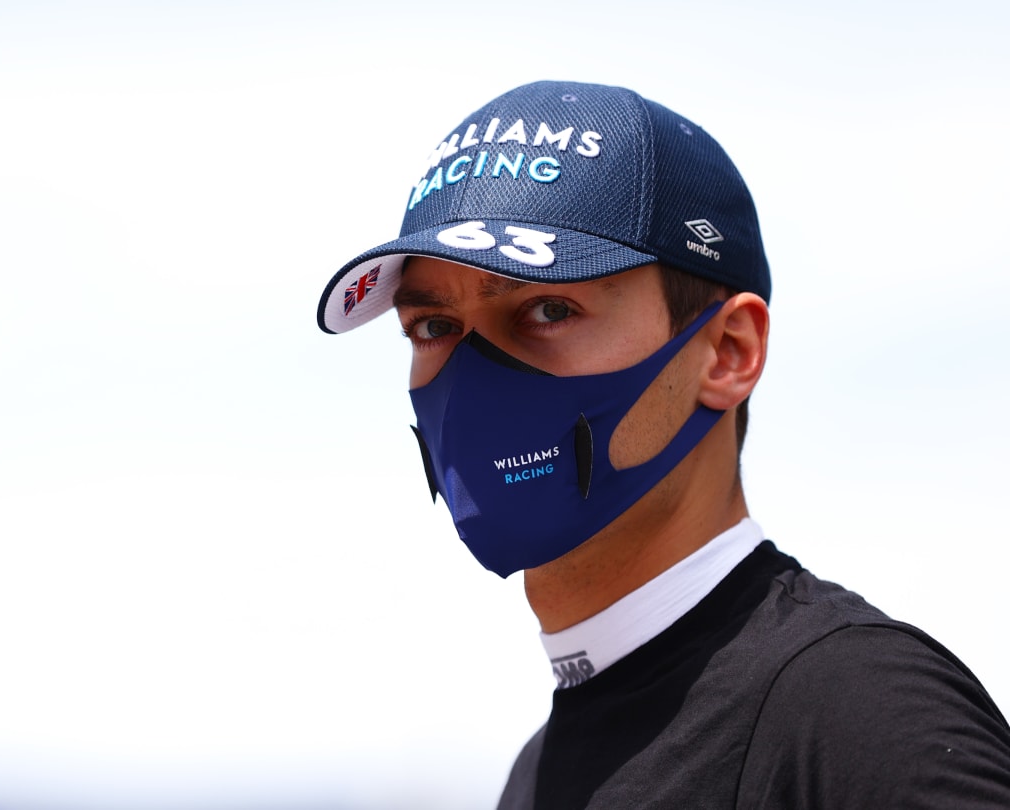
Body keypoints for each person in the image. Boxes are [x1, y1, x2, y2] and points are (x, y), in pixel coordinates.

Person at [314, 81, 1010, 808]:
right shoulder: (537, 776)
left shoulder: (857, 719)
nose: (472, 378)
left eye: (548, 308)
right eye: (432, 327)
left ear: (728, 352)